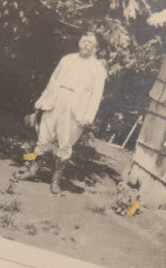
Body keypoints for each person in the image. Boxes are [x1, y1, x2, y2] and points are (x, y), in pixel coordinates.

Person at [21, 32, 108, 194]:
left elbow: (96, 96)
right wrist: (42, 100)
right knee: (43, 138)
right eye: (84, 40)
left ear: (97, 47)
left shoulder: (97, 68)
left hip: (75, 110)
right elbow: (53, 81)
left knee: (65, 144)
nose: (86, 44)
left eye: (90, 42)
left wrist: (88, 116)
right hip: (55, 102)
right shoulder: (67, 59)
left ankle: (55, 181)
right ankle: (32, 170)